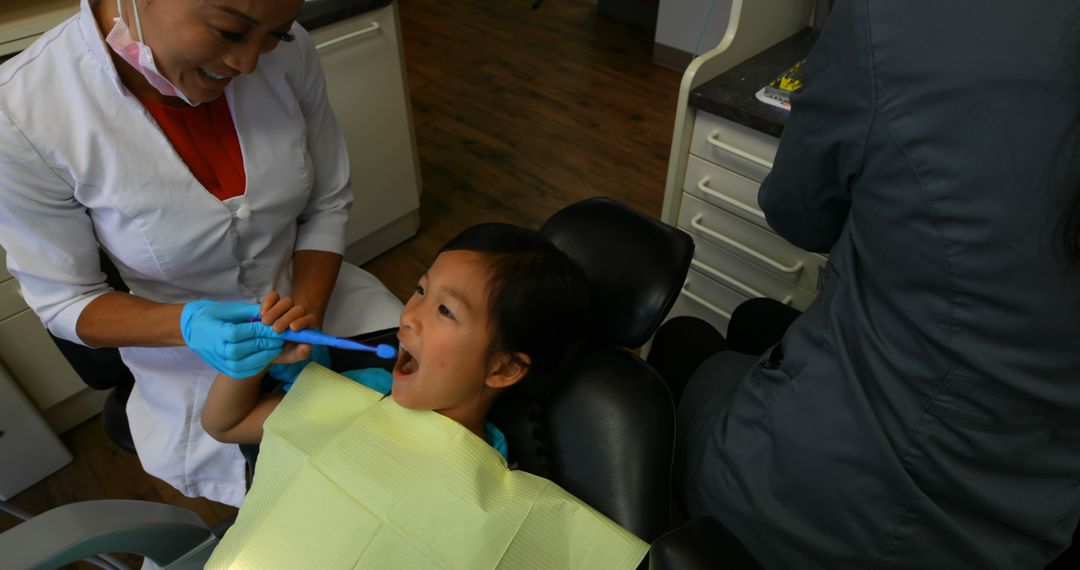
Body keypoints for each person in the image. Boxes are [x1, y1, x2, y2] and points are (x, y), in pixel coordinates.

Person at [648, 0, 1080, 568]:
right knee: (759, 321)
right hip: (1027, 518)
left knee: (684, 343)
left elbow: (798, 214)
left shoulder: (897, 20)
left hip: (841, 499)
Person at [0, 0, 402, 507]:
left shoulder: (288, 48)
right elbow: (65, 302)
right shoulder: (21, 114)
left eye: (273, 36)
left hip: (323, 303)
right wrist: (188, 324)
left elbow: (326, 205)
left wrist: (306, 317)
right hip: (191, 363)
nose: (250, 63)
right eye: (229, 32)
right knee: (319, 501)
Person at [201, 223, 590, 461]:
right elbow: (226, 425)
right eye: (420, 290)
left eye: (445, 311)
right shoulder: (362, 389)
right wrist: (252, 356)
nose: (409, 315)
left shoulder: (485, 473)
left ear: (503, 368)